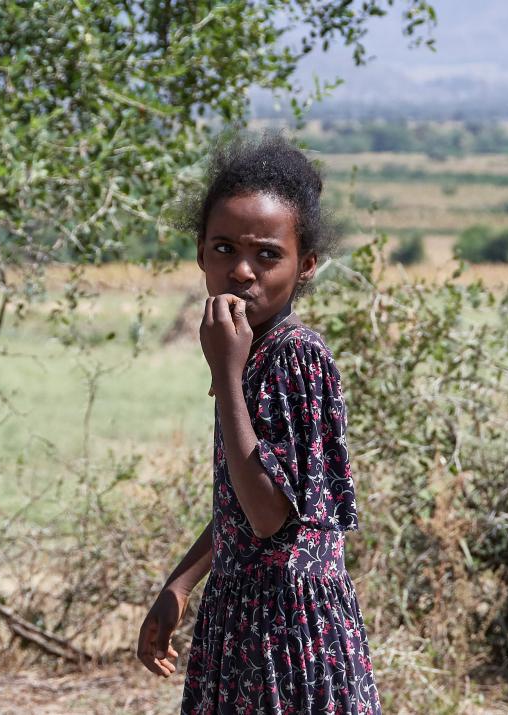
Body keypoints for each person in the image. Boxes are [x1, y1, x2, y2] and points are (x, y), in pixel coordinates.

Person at [136, 131, 382, 714]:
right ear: (199, 252)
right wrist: (180, 584)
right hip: (243, 613)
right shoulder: (252, 351)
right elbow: (239, 509)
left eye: (268, 255)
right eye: (223, 249)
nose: (242, 271)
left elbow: (270, 516)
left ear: (307, 266)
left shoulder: (294, 356)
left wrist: (225, 374)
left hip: (289, 630)